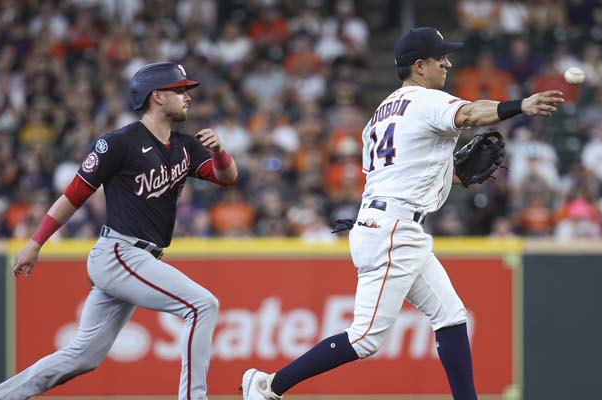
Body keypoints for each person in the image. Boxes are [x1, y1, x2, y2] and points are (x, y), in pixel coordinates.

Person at [240, 27, 563, 400]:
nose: (448, 62)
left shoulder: (379, 114)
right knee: (364, 339)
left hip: (388, 223)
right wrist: (520, 105)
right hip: (394, 229)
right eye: (441, 57)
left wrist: (454, 175)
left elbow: (402, 171)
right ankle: (268, 385)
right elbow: (472, 113)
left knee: (451, 316)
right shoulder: (427, 101)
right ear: (419, 65)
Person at [0, 61, 238, 400]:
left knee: (82, 356)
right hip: (119, 252)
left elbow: (227, 177)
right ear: (157, 97)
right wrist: (35, 242)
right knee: (202, 305)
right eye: (180, 91)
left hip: (138, 258)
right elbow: (73, 195)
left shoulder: (186, 146)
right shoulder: (119, 143)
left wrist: (219, 152)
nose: (188, 97)